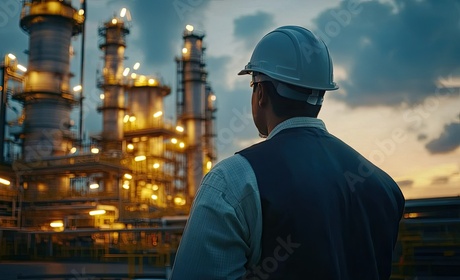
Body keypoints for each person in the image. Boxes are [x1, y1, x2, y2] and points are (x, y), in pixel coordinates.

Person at [170, 26, 405, 280]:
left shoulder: (232, 181)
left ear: (261, 93)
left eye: (252, 84)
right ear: (321, 96)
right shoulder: (385, 187)